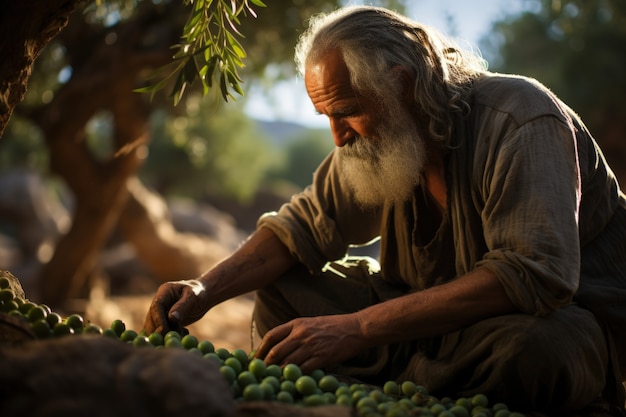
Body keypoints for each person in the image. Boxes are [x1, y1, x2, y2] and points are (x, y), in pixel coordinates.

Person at [143, 5, 626, 415]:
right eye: (326, 117)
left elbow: (536, 275)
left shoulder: (521, 120)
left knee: (542, 349)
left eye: (347, 111)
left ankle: (406, 380)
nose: (337, 136)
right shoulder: (372, 144)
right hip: (421, 331)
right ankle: (418, 384)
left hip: (527, 327)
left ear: (403, 86)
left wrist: (355, 330)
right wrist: (203, 289)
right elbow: (300, 227)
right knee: (280, 292)